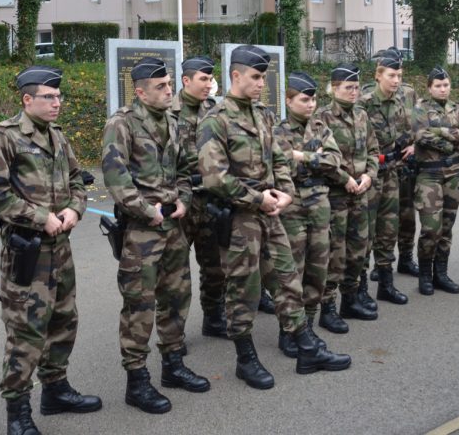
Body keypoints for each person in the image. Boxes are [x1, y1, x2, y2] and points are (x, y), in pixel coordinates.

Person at [197, 45, 351, 390]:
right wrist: (258, 197)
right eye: (255, 77)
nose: (260, 83)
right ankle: (245, 357)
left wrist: (284, 192)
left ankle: (306, 345)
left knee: (287, 278)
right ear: (235, 76)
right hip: (240, 217)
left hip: (272, 211)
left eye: (263, 77)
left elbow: (280, 159)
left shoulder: (264, 115)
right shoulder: (216, 120)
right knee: (244, 287)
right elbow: (214, 177)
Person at [0, 66, 101, 434]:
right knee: (26, 333)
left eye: (58, 97)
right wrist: (40, 217)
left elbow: (79, 181)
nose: (57, 103)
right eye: (49, 97)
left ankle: (55, 389)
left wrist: (74, 209)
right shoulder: (3, 138)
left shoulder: (58, 138)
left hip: (61, 250)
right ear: (27, 99)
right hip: (28, 252)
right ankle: (17, 412)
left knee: (64, 321)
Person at [101, 57, 209, 414]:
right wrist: (149, 211)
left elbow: (186, 169)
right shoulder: (122, 124)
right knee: (139, 305)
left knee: (177, 297)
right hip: (141, 231)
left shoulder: (172, 122)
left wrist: (183, 200)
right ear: (141, 90)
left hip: (174, 225)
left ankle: (173, 365)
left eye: (169, 84)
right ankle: (137, 380)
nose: (168, 91)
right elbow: (117, 179)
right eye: (161, 86)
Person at [273, 71, 342, 355]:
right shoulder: (278, 132)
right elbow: (284, 168)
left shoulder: (321, 127)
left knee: (318, 268)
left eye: (313, 99)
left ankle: (308, 326)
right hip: (294, 208)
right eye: (304, 99)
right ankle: (289, 330)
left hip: (320, 205)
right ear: (289, 101)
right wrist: (318, 160)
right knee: (293, 272)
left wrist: (304, 157)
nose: (311, 104)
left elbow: (336, 161)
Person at [315, 63, 379, 330]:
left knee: (358, 250)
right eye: (348, 88)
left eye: (355, 87)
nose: (354, 92)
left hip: (360, 194)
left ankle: (350, 300)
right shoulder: (322, 118)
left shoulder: (362, 116)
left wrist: (369, 175)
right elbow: (318, 158)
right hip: (335, 196)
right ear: (334, 88)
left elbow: (374, 151)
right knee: (335, 254)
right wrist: (346, 179)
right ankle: (327, 308)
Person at [169, 56, 228, 338]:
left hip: (211, 199)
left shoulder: (214, 110)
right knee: (176, 275)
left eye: (210, 79)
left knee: (215, 266)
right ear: (186, 80)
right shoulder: (168, 111)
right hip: (182, 201)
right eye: (203, 79)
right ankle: (174, 336)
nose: (209, 84)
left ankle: (214, 319)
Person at [412, 67, 459, 296]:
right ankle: (425, 274)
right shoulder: (420, 108)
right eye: (438, 85)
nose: (442, 89)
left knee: (446, 226)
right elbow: (420, 135)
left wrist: (440, 131)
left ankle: (441, 273)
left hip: (455, 175)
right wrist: (449, 140)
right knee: (431, 228)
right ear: (429, 88)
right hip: (429, 175)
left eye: (446, 85)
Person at [358, 50, 413, 305]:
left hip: (392, 171)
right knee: (365, 231)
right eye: (391, 75)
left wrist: (409, 143)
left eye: (399, 76)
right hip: (370, 173)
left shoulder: (398, 101)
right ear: (378, 75)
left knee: (388, 229)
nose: (396, 80)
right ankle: (358, 290)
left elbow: (405, 131)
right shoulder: (365, 102)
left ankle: (385, 283)